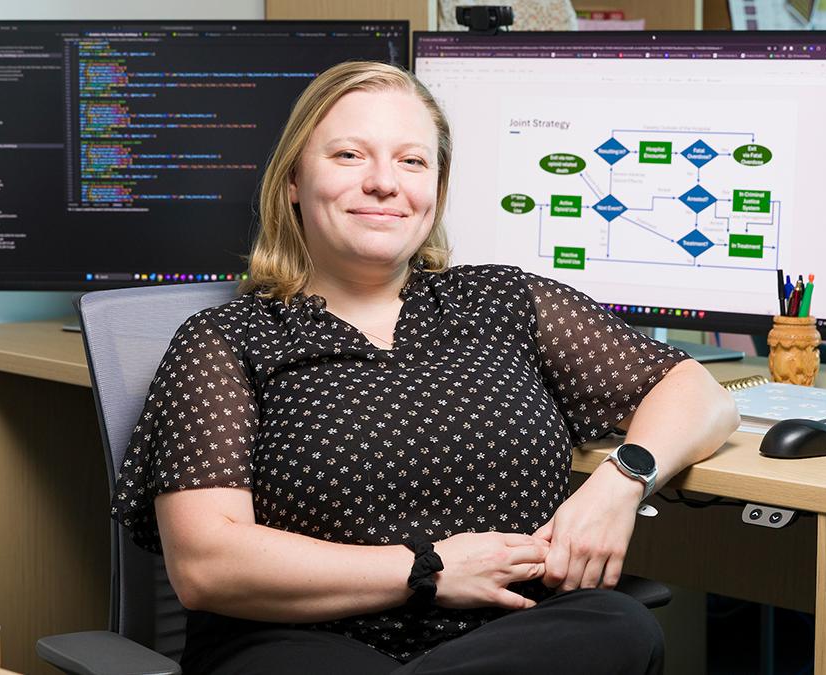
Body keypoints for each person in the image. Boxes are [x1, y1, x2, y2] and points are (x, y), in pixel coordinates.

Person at [111, 61, 739, 675]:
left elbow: (699, 393)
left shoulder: (503, 303)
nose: (385, 182)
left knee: (618, 626)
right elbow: (207, 566)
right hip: (297, 642)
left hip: (516, 633)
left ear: (435, 191)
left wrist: (618, 485)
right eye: (349, 155)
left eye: (412, 161)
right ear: (293, 182)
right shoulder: (227, 339)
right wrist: (431, 568)